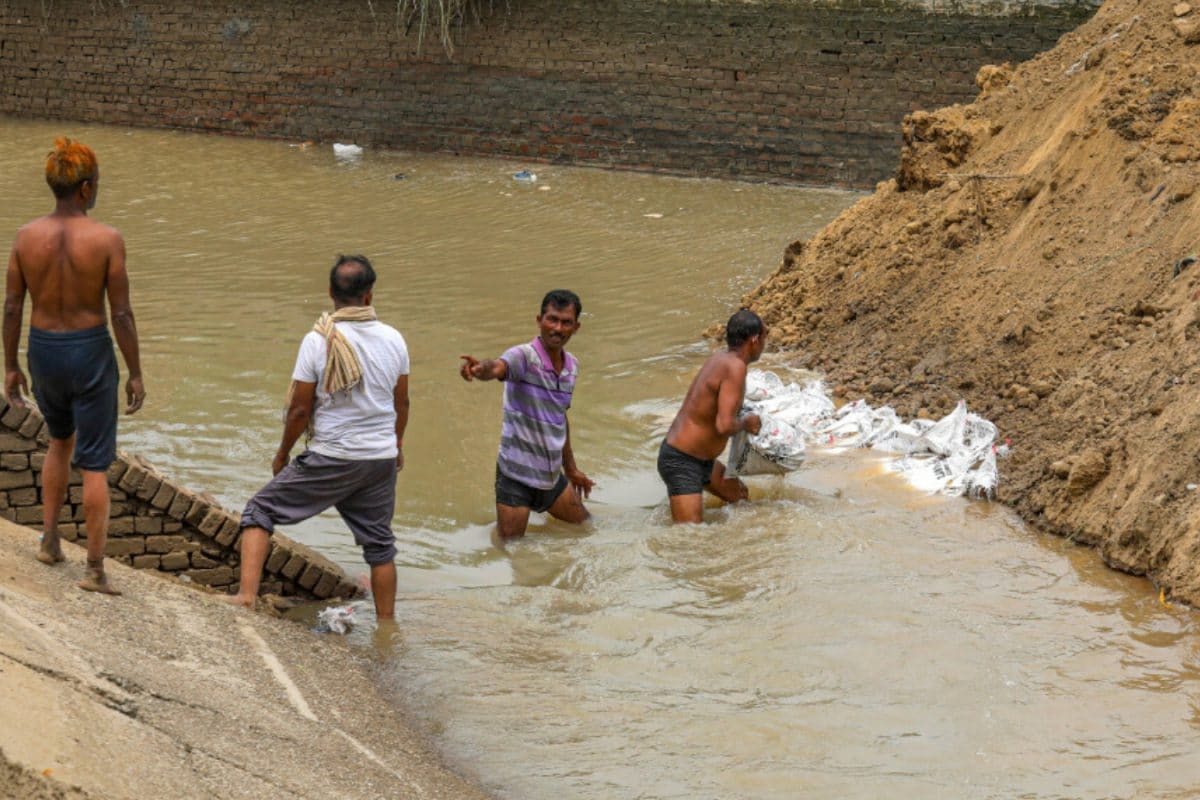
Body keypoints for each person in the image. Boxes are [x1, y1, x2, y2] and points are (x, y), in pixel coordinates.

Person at [226, 255, 409, 619]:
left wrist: (282, 454)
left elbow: (298, 410)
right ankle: (387, 626)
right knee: (380, 547)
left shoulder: (318, 340)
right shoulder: (394, 339)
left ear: (330, 292)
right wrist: (397, 446)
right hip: (379, 458)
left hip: (335, 456)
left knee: (258, 511)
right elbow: (401, 402)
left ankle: (245, 596)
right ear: (369, 295)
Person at [4, 137, 145, 595]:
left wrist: (10, 365)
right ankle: (95, 570)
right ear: (85, 188)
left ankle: (49, 541)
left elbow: (11, 307)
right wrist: (136, 371)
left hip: (43, 350)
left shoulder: (25, 237)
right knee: (96, 463)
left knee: (58, 441)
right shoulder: (106, 239)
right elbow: (121, 314)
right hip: (89, 352)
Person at [459, 289, 593, 539]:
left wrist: (571, 469)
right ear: (539, 320)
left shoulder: (572, 366)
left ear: (576, 327)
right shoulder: (524, 357)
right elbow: (498, 367)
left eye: (566, 322)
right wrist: (480, 370)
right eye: (552, 319)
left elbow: (559, 418)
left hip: (552, 477)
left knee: (587, 529)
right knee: (511, 549)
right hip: (516, 477)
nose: (558, 328)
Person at [658, 308, 767, 524]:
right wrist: (747, 423)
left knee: (741, 499)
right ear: (754, 340)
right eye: (764, 337)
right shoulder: (735, 367)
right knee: (690, 537)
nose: (765, 344)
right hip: (682, 460)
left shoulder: (721, 359)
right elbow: (724, 425)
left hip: (702, 460)